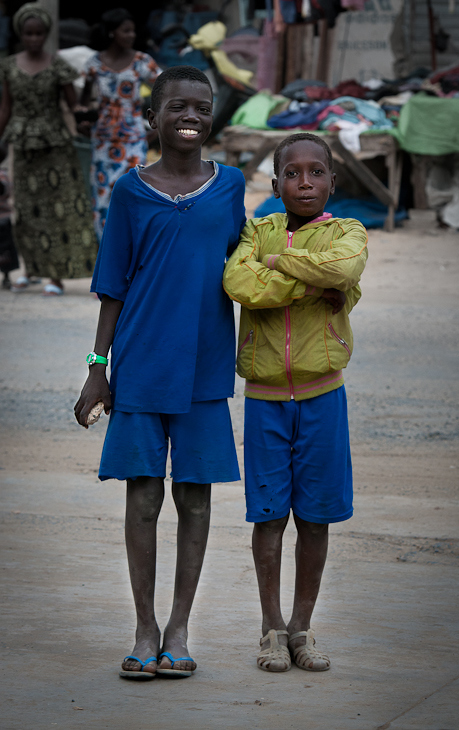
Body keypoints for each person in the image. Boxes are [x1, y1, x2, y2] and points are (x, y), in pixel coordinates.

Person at [74, 66, 246, 680]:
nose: (191, 117)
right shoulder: (129, 190)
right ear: (152, 118)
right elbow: (112, 286)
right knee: (143, 496)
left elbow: (244, 267)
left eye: (201, 107)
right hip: (142, 364)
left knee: (195, 501)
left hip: (204, 369)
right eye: (177, 107)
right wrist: (99, 368)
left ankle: (179, 627)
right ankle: (144, 626)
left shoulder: (230, 187)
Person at [223, 132, 368, 673]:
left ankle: (303, 628)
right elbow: (238, 280)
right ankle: (271, 629)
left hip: (323, 395)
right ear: (277, 181)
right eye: (291, 173)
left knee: (316, 517)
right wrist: (307, 281)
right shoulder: (258, 229)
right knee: (269, 516)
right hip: (264, 399)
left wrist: (277, 265)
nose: (303, 182)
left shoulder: (348, 231)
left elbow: (343, 271)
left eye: (316, 172)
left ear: (333, 180)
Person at [0, 3, 97, 296]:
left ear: (46, 34)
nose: (33, 39)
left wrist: (84, 119)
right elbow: (5, 108)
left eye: (39, 33)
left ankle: (56, 277)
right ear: (20, 34)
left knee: (60, 210)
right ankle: (29, 270)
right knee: (28, 209)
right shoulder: (9, 66)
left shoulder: (58, 66)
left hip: (55, 145)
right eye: (28, 33)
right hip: (24, 145)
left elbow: (72, 104)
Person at [80, 8, 161, 242]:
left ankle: (134, 248)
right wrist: (83, 121)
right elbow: (83, 103)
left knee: (134, 193)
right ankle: (107, 251)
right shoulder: (94, 63)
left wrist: (156, 129)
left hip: (134, 138)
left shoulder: (141, 62)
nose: (131, 35)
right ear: (112, 33)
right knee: (104, 197)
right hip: (103, 141)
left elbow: (166, 90)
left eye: (132, 30)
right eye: (126, 31)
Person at [0, 141, 18, 289]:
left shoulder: (2, 175)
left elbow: (4, 190)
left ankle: (6, 276)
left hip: (3, 220)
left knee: (6, 251)